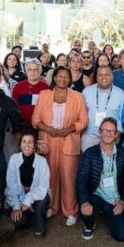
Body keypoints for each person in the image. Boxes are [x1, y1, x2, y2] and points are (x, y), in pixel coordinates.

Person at [32, 66, 88, 226]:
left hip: (68, 139)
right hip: (47, 140)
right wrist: (47, 128)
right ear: (54, 78)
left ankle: (71, 211)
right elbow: (35, 120)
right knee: (50, 176)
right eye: (60, 76)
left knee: (68, 177)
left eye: (66, 76)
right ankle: (51, 206)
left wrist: (68, 129)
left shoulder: (77, 96)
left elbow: (84, 121)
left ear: (70, 79)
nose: (62, 79)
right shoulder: (44, 95)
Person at [77, 118, 124, 241]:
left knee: (122, 236)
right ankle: (89, 225)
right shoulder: (89, 153)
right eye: (104, 130)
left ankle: (109, 215)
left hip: (115, 199)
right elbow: (81, 179)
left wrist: (123, 201)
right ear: (99, 132)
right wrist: (84, 201)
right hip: (97, 195)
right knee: (85, 210)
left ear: (116, 133)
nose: (107, 134)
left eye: (111, 131)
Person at [5, 133, 51, 238]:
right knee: (18, 221)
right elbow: (11, 184)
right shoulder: (14, 159)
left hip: (37, 194)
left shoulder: (42, 161)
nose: (27, 145)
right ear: (20, 145)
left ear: (34, 145)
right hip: (20, 194)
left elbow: (43, 186)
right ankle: (35, 216)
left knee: (41, 202)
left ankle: (39, 228)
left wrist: (28, 199)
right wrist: (16, 206)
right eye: (24, 142)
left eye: (30, 142)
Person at [82, 66, 124, 151]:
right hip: (89, 137)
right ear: (96, 77)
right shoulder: (86, 92)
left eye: (107, 74)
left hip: (111, 137)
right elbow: (81, 114)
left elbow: (122, 119)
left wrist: (115, 136)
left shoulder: (121, 94)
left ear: (112, 76)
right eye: (100, 75)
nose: (104, 77)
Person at [12, 59, 50, 128]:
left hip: (41, 126)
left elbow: (48, 108)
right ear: (26, 71)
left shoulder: (46, 87)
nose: (33, 72)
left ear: (40, 71)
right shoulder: (18, 87)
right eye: (30, 69)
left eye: (36, 69)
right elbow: (13, 108)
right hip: (21, 126)